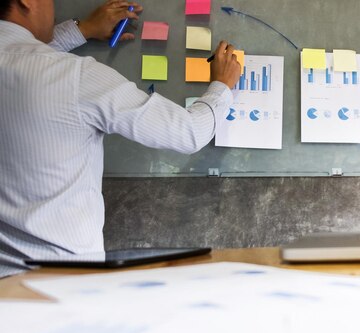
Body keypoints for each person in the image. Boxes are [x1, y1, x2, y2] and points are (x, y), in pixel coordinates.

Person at [0, 0, 241, 278]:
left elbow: (26, 64)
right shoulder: (76, 76)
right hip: (61, 284)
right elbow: (189, 132)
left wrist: (83, 30)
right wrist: (222, 86)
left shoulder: (57, 74)